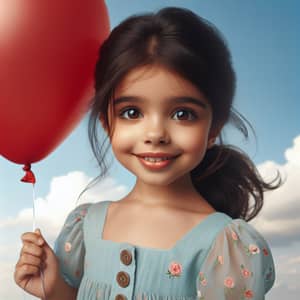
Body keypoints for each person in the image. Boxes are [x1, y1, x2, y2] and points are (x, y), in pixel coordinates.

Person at [14, 6, 281, 300]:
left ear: (213, 126)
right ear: (106, 121)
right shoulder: (84, 225)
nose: (155, 134)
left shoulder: (226, 246)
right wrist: (56, 291)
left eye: (183, 114)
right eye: (132, 112)